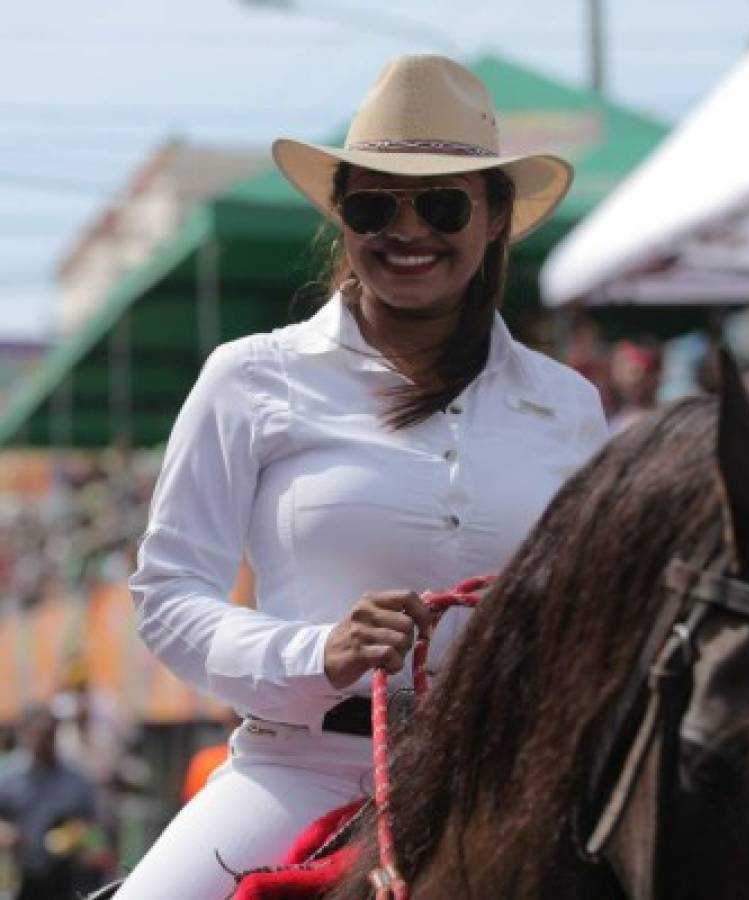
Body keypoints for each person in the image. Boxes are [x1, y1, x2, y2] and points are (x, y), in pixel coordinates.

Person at [114, 55, 607, 899]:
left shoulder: (569, 406)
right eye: (374, 204)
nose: (406, 230)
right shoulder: (249, 378)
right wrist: (319, 652)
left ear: (494, 220)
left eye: (443, 203)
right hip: (300, 770)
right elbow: (168, 597)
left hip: (517, 780)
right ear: (343, 218)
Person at [0, 706, 98, 900]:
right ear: (24, 734)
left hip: (65, 877)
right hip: (18, 875)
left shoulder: (75, 779)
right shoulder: (7, 777)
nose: (43, 742)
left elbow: (90, 824)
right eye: (38, 734)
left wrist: (74, 834)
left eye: (49, 734)